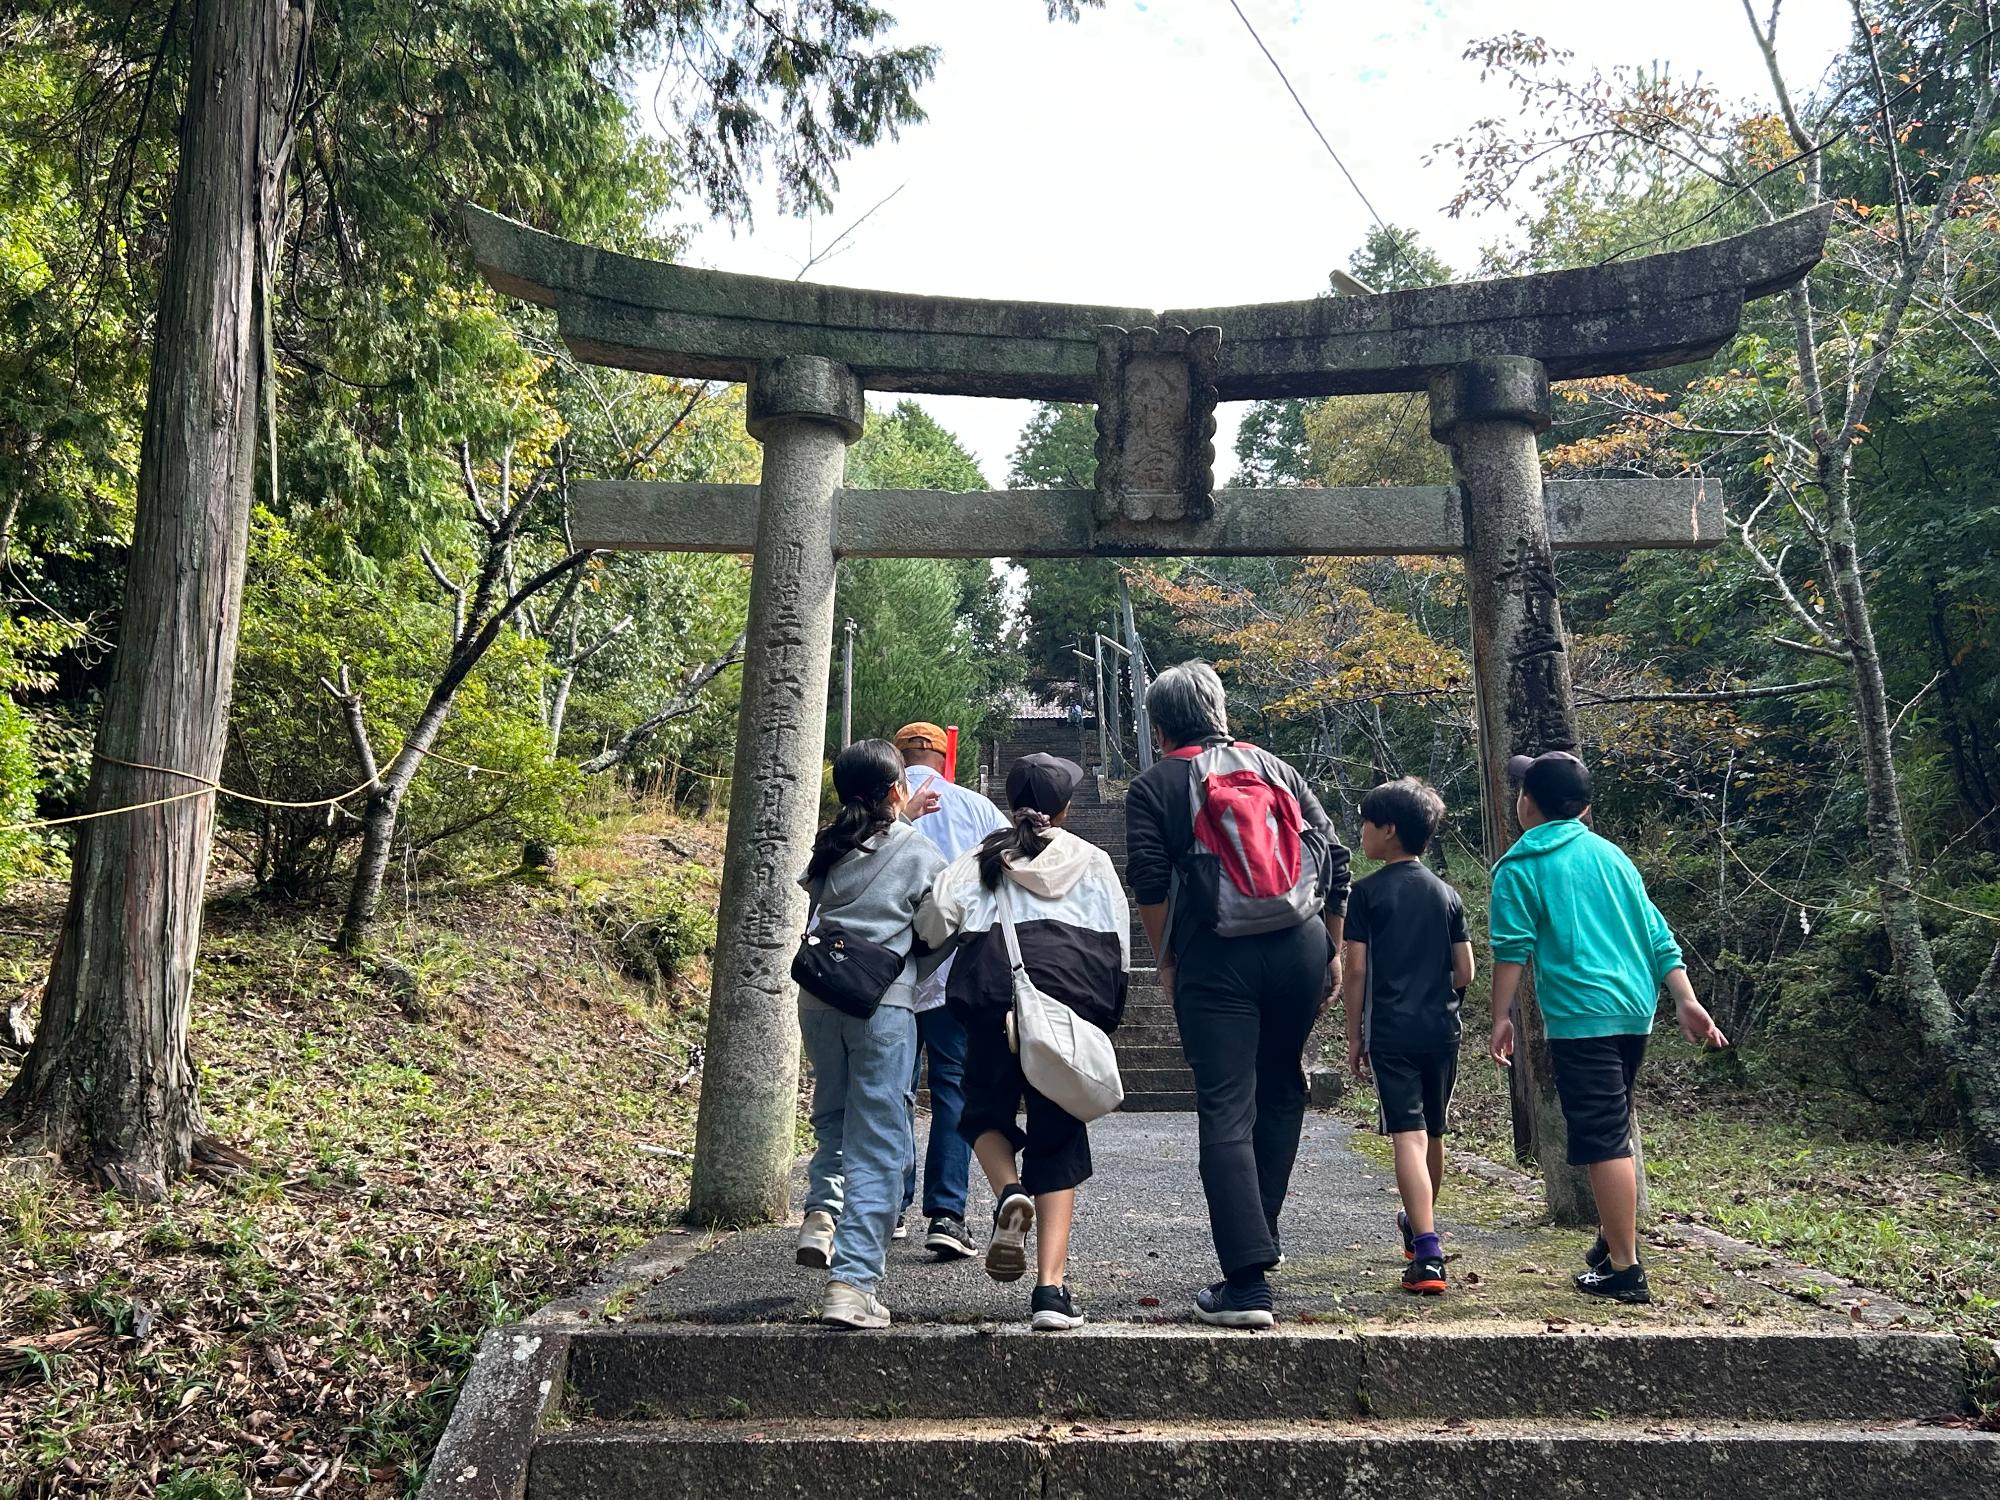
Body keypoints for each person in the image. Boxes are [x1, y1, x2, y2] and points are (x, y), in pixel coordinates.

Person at [1125, 662, 1352, 1329]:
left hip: (1216, 955)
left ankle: (1248, 1284)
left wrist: (1169, 961)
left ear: (1159, 725)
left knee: (1226, 1104)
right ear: (1221, 710)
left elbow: (1148, 882)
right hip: (1299, 943)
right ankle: (1260, 1240)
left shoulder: (1155, 784)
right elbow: (1333, 856)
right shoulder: (1277, 767)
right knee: (1282, 1089)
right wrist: (1332, 945)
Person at [1488, 750, 1729, 1306]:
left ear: (1526, 803)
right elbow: (1655, 931)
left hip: (1581, 1017)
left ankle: (1624, 1268)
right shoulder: (1612, 856)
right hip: (1634, 1010)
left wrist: (1501, 1016)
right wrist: (1685, 999)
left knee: (1603, 1140)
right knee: (1612, 1121)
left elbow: (1511, 951)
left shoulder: (1522, 867)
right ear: (1585, 807)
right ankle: (1608, 1238)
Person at [916, 753, 1128, 1330]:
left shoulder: (983, 858)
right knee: (1058, 1141)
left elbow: (934, 919)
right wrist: (1104, 1016)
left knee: (981, 1113)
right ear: (1064, 807)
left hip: (992, 1004)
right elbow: (1118, 944)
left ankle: (1009, 1190)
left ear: (1011, 804)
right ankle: (1050, 1294)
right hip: (1065, 1014)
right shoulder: (1095, 861)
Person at [794, 739, 948, 1329]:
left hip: (819, 997)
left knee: (832, 1114)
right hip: (882, 1004)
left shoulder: (829, 845)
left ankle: (820, 1213)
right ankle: (854, 1283)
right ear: (895, 792)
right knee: (884, 1138)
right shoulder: (917, 849)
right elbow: (935, 924)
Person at [1343, 778, 1474, 1297]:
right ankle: (1420, 1227)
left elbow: (1356, 970)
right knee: (1433, 1134)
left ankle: (1427, 1251)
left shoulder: (1367, 894)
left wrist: (1354, 1034)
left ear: (1389, 831)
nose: (1362, 831)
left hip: (1392, 1028)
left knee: (1408, 1136)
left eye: (1367, 823)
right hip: (1442, 1029)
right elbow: (1464, 971)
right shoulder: (1446, 893)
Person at [892, 721, 1009, 1259]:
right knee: (951, 1090)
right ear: (943, 756)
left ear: (898, 755)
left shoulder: (880, 805)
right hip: (952, 975)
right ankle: (946, 1214)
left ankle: (889, 1206)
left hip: (883, 974)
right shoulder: (975, 808)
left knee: (889, 1090)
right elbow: (1012, 867)